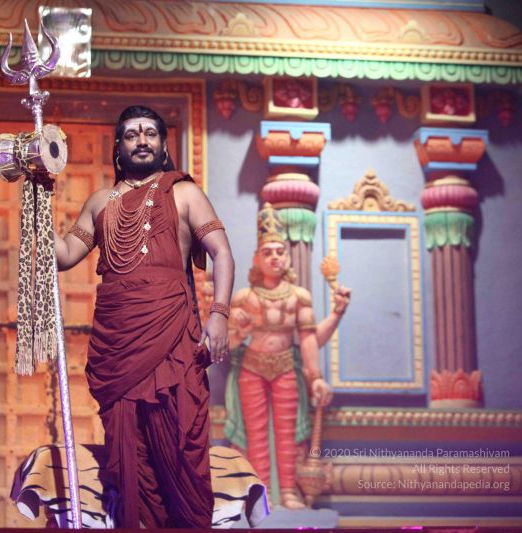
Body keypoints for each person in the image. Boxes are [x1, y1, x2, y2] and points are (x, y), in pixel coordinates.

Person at [53, 105, 235, 528]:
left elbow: (222, 253)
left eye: (150, 133)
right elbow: (64, 255)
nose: (142, 140)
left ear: (164, 146)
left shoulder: (184, 192)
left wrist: (220, 314)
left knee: (181, 453)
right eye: (132, 134)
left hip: (173, 340)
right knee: (131, 468)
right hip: (119, 347)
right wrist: (36, 200)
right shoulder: (100, 202)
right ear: (118, 147)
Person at [225, 206, 350, 509]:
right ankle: (261, 492)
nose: (275, 257)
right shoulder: (244, 298)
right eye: (267, 252)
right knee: (255, 434)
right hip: (252, 367)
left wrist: (316, 376)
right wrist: (238, 331)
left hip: (285, 368)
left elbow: (309, 339)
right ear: (256, 259)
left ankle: (289, 492)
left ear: (289, 258)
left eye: (280, 252)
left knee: (288, 433)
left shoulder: (298, 297)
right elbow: (227, 345)